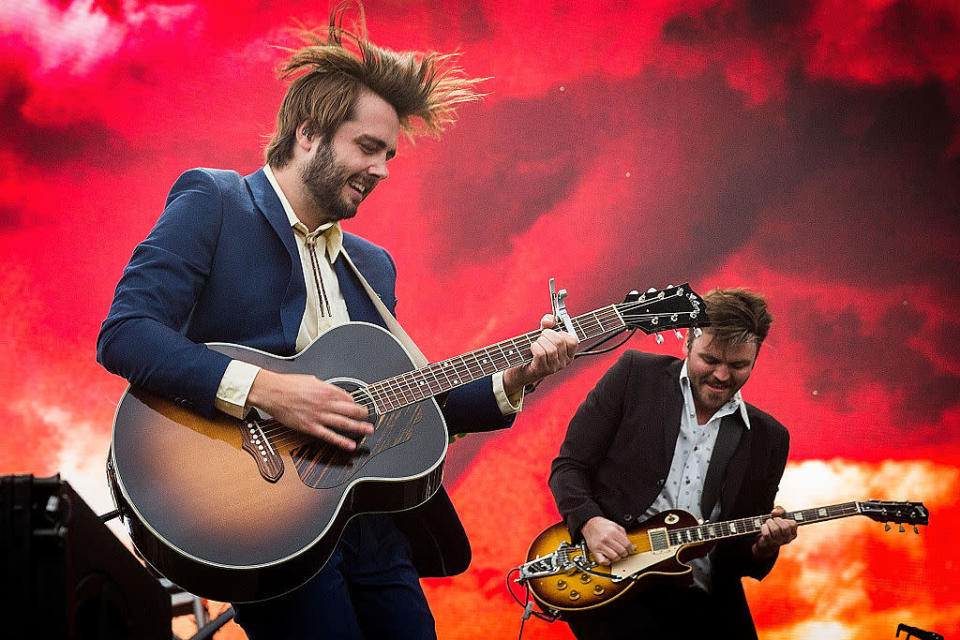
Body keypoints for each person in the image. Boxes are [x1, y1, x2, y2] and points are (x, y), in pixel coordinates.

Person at [97, 7, 578, 639]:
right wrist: (269, 391)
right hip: (268, 514)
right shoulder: (215, 201)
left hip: (371, 524)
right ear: (306, 133)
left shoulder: (372, 268)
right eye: (368, 147)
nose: (382, 169)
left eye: (389, 155)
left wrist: (512, 378)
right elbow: (126, 332)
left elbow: (404, 405)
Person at [548, 288, 797, 639]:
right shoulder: (634, 374)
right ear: (686, 344)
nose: (722, 376)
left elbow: (740, 558)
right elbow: (568, 467)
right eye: (710, 360)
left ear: (755, 359)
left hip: (705, 598)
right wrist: (590, 522)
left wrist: (765, 545)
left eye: (738, 365)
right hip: (613, 582)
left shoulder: (770, 438)